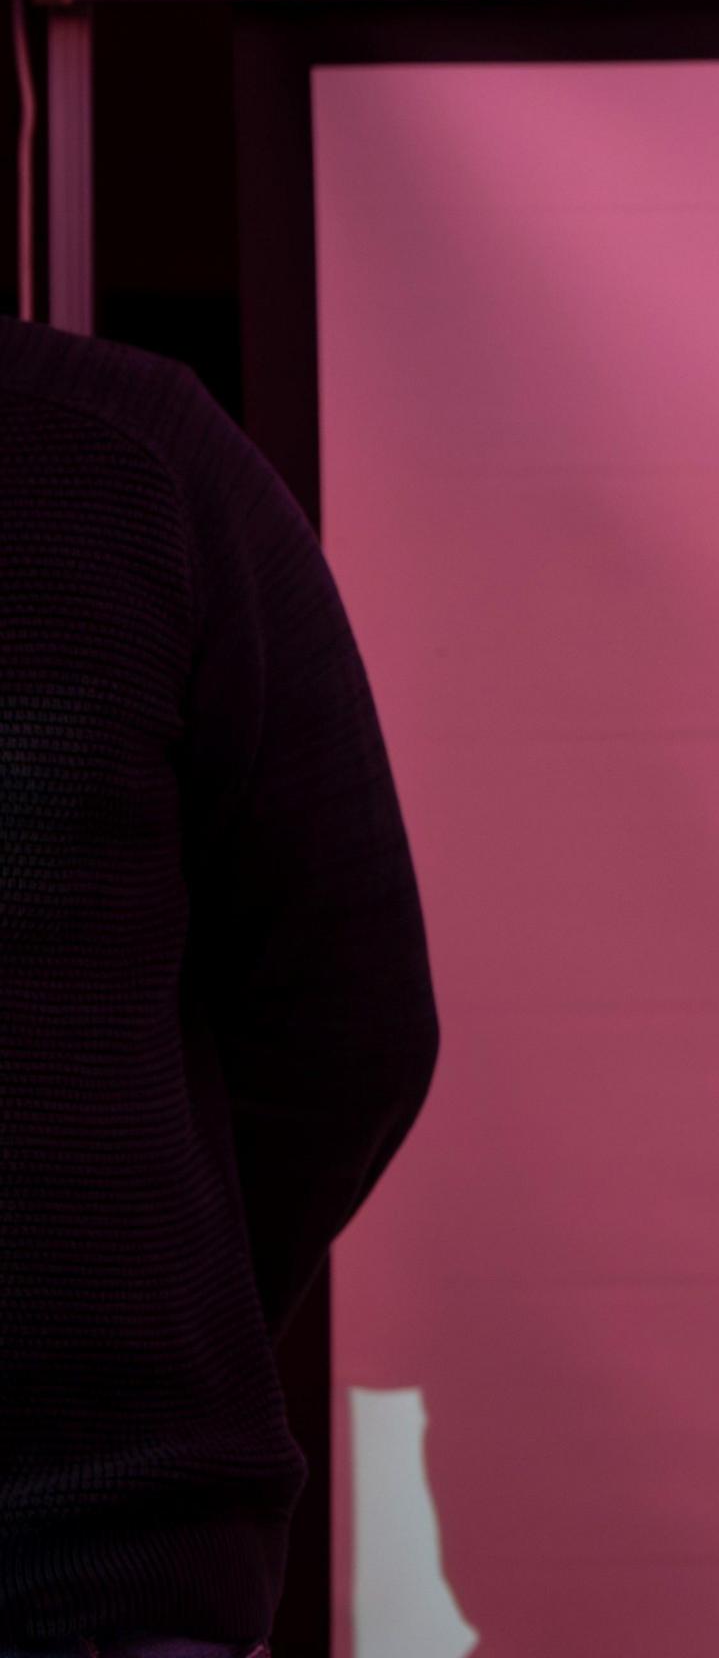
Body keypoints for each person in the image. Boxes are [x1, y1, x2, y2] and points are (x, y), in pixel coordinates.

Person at [1, 316, 441, 1653]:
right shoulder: (133, 451)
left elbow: (349, 1014)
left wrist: (154, 1295)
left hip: (83, 1571)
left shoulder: (134, 458)